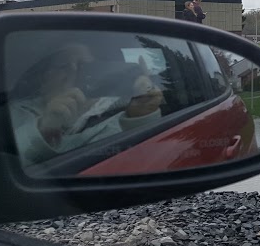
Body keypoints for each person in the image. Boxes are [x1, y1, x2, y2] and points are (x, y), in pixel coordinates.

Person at [9, 43, 165, 167]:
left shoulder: (121, 112)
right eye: (63, 66)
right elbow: (1, 163)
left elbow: (140, 158)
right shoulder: (14, 112)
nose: (75, 71)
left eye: (85, 66)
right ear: (44, 77)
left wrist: (142, 116)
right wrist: (43, 129)